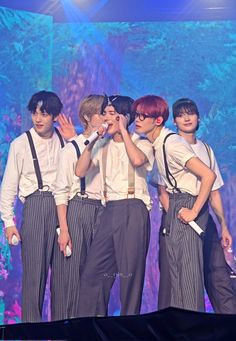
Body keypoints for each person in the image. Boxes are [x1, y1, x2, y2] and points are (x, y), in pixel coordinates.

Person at [133, 94, 216, 312]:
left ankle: (193, 331)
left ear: (158, 120)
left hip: (188, 203)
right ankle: (181, 330)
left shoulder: (172, 144)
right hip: (175, 206)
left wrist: (194, 210)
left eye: (143, 116)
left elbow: (208, 175)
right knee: (176, 275)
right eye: (136, 115)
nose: (137, 120)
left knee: (188, 276)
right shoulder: (158, 144)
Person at [75, 95, 154, 316]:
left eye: (111, 114)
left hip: (133, 208)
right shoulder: (102, 145)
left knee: (130, 275)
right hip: (109, 210)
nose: (106, 118)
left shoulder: (142, 143)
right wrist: (92, 140)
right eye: (105, 114)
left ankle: (126, 331)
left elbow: (138, 161)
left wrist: (124, 131)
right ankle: (91, 329)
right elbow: (79, 171)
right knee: (94, 273)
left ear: (124, 117)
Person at [0, 90, 75, 322]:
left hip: (64, 208)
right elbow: (8, 186)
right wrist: (9, 221)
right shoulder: (20, 144)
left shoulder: (66, 140)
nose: (38, 118)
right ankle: (30, 334)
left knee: (63, 277)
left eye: (44, 113)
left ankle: (62, 332)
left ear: (55, 115)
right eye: (35, 113)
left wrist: (73, 140)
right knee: (34, 277)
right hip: (35, 206)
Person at [155, 98, 236, 313]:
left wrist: (223, 225)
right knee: (181, 278)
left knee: (218, 272)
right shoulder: (170, 145)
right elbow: (162, 189)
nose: (187, 118)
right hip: (179, 216)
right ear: (174, 120)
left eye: (190, 113)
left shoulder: (206, 150)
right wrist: (175, 216)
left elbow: (214, 190)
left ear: (198, 117)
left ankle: (228, 325)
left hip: (202, 216)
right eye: (181, 115)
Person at [51, 94, 105, 319]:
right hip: (78, 208)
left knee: (100, 276)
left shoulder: (108, 145)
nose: (105, 118)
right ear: (87, 117)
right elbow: (61, 192)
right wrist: (64, 229)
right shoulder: (70, 149)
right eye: (101, 114)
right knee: (72, 275)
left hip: (103, 211)